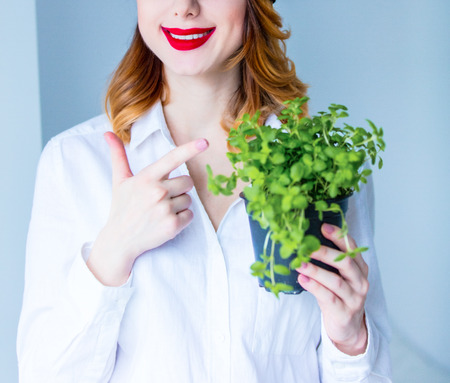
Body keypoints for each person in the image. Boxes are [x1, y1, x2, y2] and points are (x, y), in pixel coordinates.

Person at [17, 0, 392, 382]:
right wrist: (111, 255)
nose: (184, 8)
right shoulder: (72, 164)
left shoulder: (326, 172)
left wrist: (350, 341)